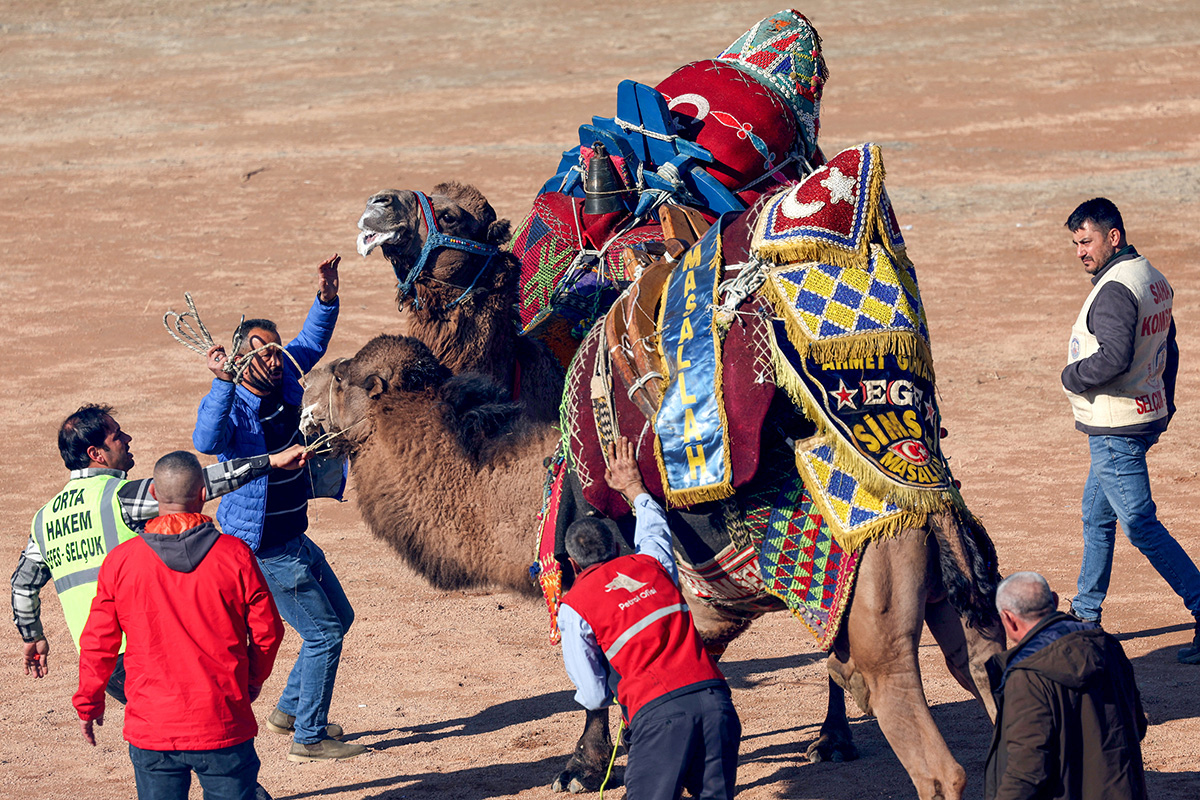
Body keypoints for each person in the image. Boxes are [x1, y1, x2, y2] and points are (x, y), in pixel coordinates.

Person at [193, 254, 364, 763]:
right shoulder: (235, 408)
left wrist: (326, 295)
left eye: (274, 347)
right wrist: (222, 383)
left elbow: (311, 342)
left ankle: (290, 709)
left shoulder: (285, 378)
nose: (273, 357)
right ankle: (309, 737)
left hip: (293, 536)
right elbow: (205, 439)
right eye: (262, 351)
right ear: (242, 361)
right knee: (324, 634)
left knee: (341, 617)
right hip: (265, 547)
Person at [12, 403, 305, 695]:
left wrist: (32, 636)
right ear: (95, 454)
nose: (127, 439)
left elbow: (22, 586)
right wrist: (272, 462)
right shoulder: (118, 497)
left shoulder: (44, 518)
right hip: (147, 650)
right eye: (117, 435)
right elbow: (191, 484)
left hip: (102, 662)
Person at [74, 451, 284, 800]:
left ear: (154, 493)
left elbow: (98, 642)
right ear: (203, 494)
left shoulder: (121, 562)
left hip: (153, 728)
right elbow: (268, 631)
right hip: (222, 720)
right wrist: (250, 682)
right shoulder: (234, 556)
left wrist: (89, 702)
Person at [558, 437, 740, 800]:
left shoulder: (575, 606)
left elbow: (593, 695)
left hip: (660, 720)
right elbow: (654, 527)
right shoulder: (653, 566)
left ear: (574, 565)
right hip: (717, 703)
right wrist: (634, 487)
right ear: (614, 548)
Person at [1060, 197, 1200, 664]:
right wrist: (1168, 400)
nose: (1081, 251)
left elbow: (1115, 357)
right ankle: (1085, 614)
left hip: (1118, 427)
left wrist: (1072, 375)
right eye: (1076, 243)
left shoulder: (1116, 289)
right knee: (1097, 516)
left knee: (1140, 525)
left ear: (1112, 237)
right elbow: (1170, 344)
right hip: (1141, 415)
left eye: (1087, 241)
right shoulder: (1151, 277)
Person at [984, 571, 1146, 800]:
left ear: (1009, 619)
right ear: (1055, 600)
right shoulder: (1108, 647)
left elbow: (1026, 771)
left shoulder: (1026, 677)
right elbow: (1137, 726)